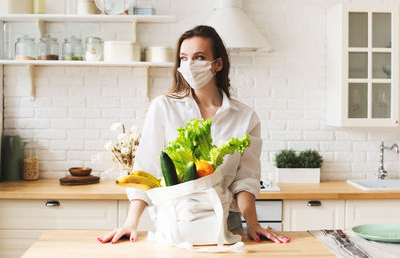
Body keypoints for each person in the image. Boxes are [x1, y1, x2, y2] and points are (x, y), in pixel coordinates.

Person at [98, 25, 290, 244]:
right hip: (175, 223)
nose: (189, 65)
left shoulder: (245, 117)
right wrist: (130, 223)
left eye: (198, 57)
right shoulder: (163, 107)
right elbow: (145, 168)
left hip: (226, 224)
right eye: (183, 58)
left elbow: (245, 180)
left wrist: (253, 225)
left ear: (217, 64)